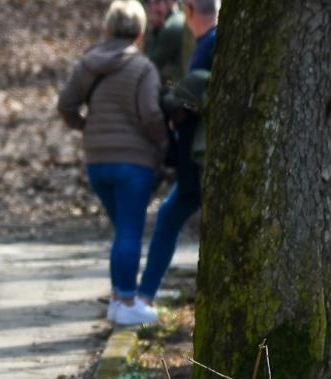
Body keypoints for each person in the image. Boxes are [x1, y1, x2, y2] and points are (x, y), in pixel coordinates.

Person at [57, 0, 168, 327]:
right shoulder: (143, 68)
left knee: (122, 229)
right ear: (140, 33)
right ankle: (127, 301)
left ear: (106, 28)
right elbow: (150, 113)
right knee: (130, 230)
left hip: (97, 160)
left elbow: (66, 105)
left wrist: (86, 127)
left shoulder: (87, 64)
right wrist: (162, 143)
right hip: (133, 161)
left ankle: (119, 300)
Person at [137, 0, 219, 310]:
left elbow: (193, 93)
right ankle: (144, 295)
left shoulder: (211, 43)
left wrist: (174, 101)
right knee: (169, 217)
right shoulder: (210, 42)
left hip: (201, 157)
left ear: (188, 12)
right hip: (197, 156)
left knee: (169, 217)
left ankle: (144, 296)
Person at [143, 0, 188, 92]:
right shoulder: (178, 19)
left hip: (177, 89)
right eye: (149, 3)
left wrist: (154, 29)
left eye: (157, 2)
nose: (152, 7)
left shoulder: (171, 27)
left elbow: (151, 64)